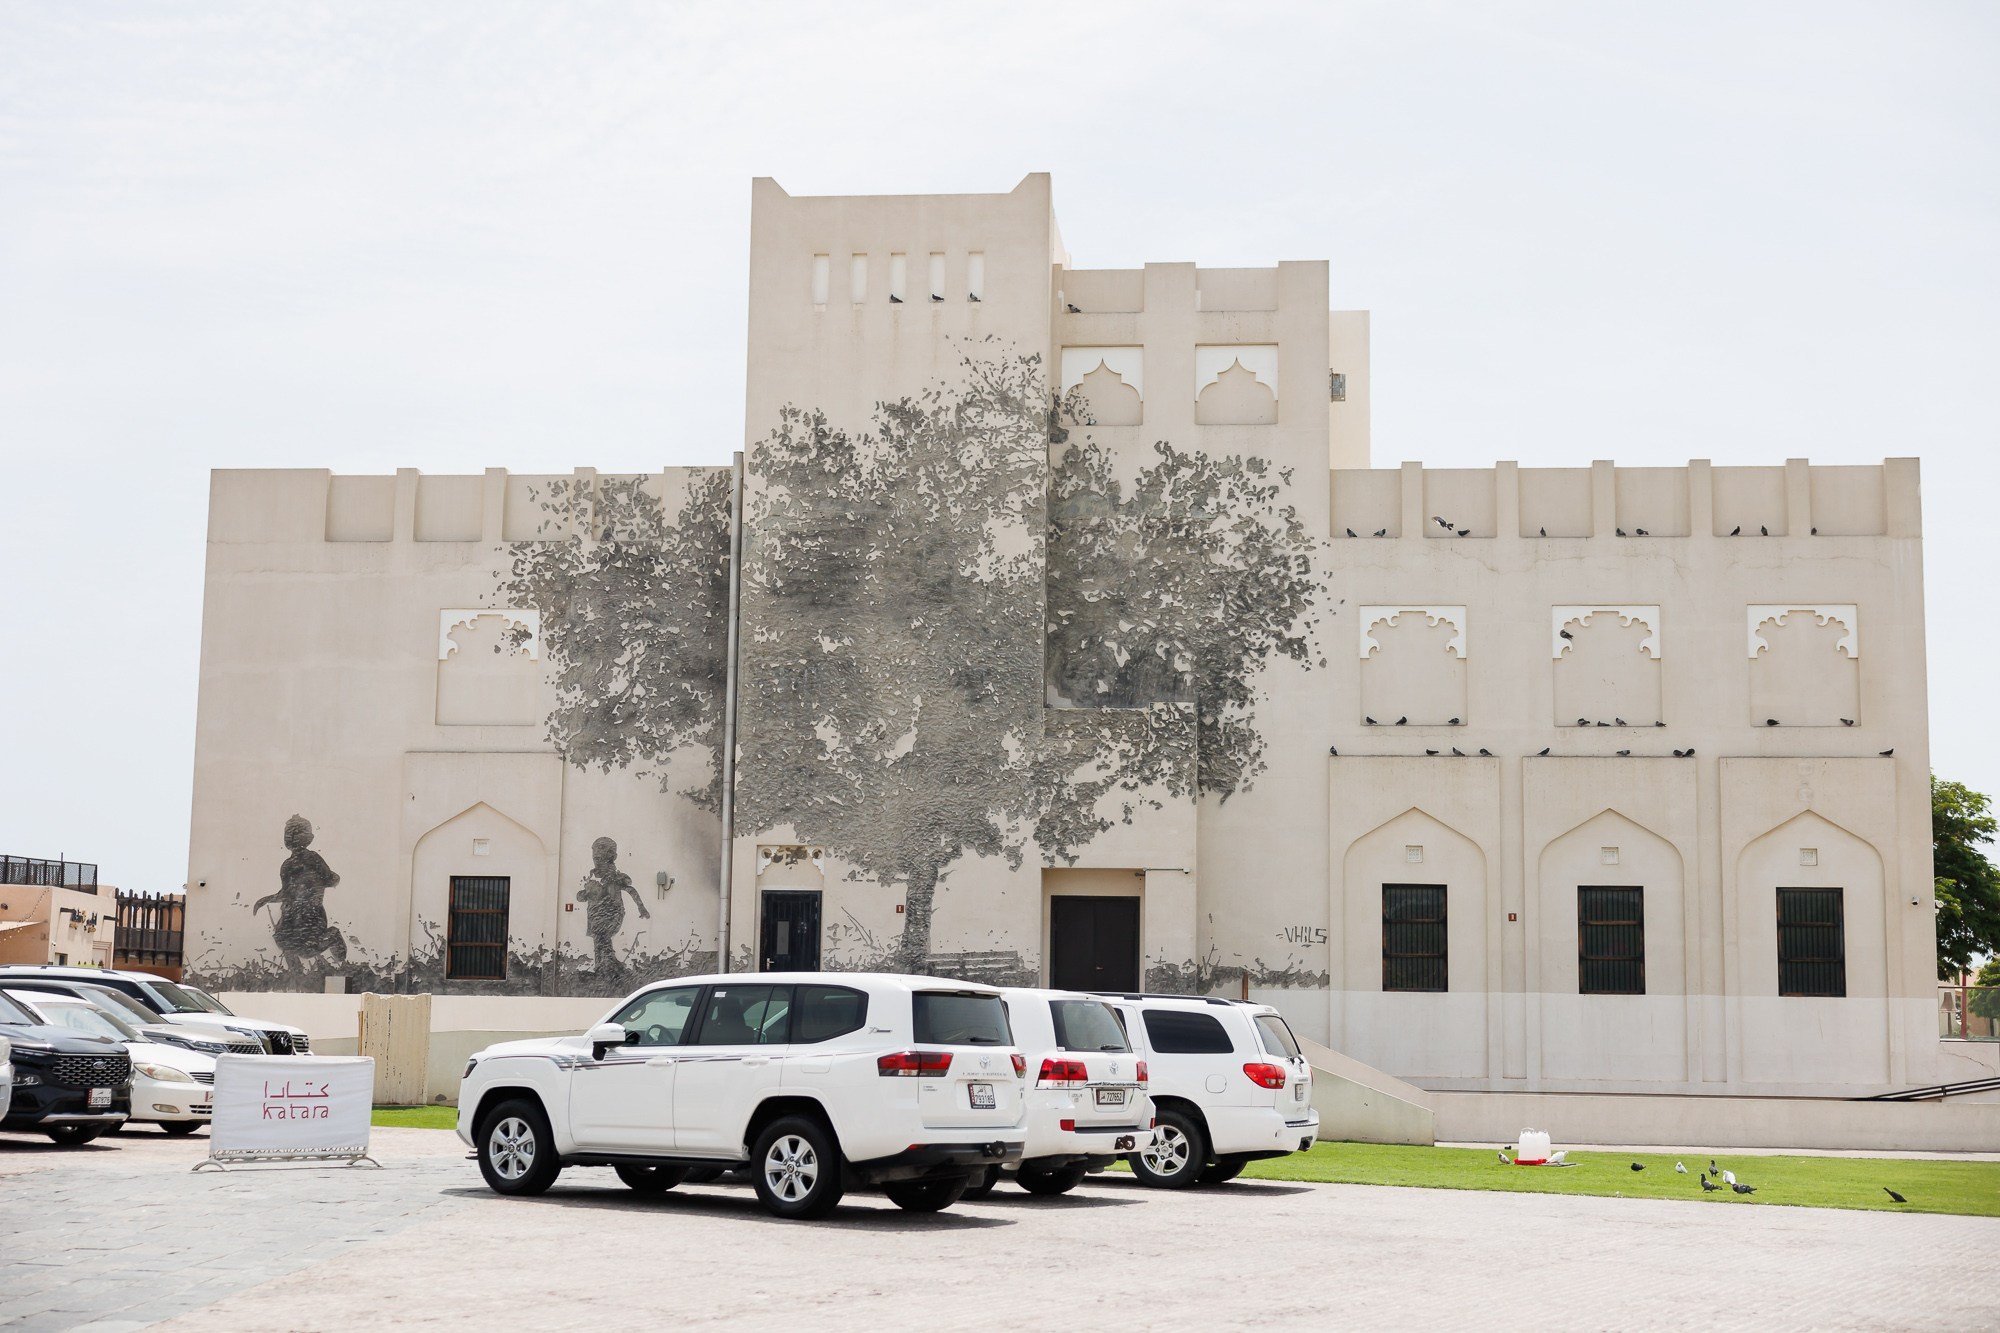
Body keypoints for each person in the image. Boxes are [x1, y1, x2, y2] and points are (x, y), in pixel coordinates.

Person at [251, 814, 348, 972]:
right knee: (334, 934)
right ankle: (343, 967)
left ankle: (296, 974)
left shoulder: (287, 865)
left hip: (288, 934)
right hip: (311, 930)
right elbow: (331, 880)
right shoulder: (314, 858)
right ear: (309, 837)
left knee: (289, 943)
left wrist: (267, 899)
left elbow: (285, 893)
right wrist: (332, 877)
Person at [577, 836, 648, 973]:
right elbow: (583, 896)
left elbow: (630, 889)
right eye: (595, 855)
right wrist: (583, 894)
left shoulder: (615, 877)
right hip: (594, 915)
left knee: (602, 939)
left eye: (601, 854)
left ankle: (607, 967)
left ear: (612, 856)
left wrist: (641, 907)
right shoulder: (592, 876)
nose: (596, 857)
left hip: (610, 914)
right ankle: (606, 967)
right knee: (599, 942)